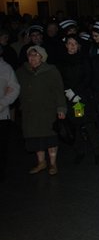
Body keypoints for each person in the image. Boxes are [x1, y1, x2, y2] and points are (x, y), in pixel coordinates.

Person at [16, 46, 67, 175]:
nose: (32, 58)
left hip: (47, 110)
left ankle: (53, 163)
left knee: (50, 137)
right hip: (30, 111)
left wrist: (61, 108)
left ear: (42, 57)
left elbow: (58, 91)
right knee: (35, 138)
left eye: (35, 55)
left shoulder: (51, 70)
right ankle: (41, 162)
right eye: (30, 55)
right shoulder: (22, 72)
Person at [58, 35, 99, 166]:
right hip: (69, 97)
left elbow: (88, 77)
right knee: (75, 125)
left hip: (82, 97)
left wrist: (77, 93)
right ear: (66, 45)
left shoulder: (84, 59)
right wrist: (68, 92)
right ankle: (80, 151)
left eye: (74, 44)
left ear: (78, 46)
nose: (71, 46)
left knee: (88, 124)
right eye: (69, 43)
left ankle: (97, 152)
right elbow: (60, 79)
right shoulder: (61, 61)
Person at [0, 45, 20, 181]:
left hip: (1, 114)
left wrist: (2, 103)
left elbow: (14, 88)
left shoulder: (6, 68)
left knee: (1, 146)